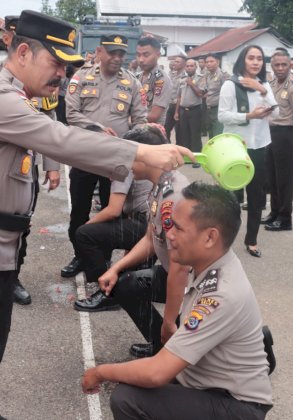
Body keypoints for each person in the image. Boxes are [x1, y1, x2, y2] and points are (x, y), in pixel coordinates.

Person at [0, 10, 191, 419]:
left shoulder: (19, 99)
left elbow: (56, 139)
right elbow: (59, 138)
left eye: (67, 66)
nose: (62, 74)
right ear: (24, 52)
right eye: (56, 63)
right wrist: (141, 153)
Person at [82, 182, 273, 420]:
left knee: (128, 398)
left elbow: (156, 373)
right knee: (146, 375)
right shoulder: (210, 262)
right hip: (210, 383)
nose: (168, 234)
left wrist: (100, 372)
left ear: (210, 237)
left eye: (178, 229)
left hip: (237, 406)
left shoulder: (221, 293)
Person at [0, 15, 62, 304]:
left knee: (21, 224)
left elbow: (48, 119)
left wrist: (52, 166)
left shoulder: (43, 76)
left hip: (25, 165)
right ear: (8, 39)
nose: (12, 38)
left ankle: (12, 277)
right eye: (10, 34)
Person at [77, 141, 191, 358]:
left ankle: (168, 346)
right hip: (173, 273)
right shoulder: (160, 186)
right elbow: (150, 240)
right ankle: (161, 346)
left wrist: (167, 322)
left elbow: (181, 269)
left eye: (132, 157)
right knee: (125, 284)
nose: (128, 165)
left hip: (192, 283)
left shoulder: (173, 198)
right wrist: (115, 269)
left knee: (192, 365)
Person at [63, 34, 148, 278]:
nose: (117, 57)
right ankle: (80, 256)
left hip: (116, 160)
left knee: (114, 212)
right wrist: (98, 128)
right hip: (85, 155)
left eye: (121, 53)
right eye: (112, 52)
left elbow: (141, 119)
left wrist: (134, 142)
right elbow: (71, 113)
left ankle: (103, 261)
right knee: (79, 210)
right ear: (99, 52)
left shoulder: (131, 83)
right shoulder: (81, 77)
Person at [72, 125, 161, 312]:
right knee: (104, 233)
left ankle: (108, 293)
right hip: (151, 223)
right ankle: (119, 281)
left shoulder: (124, 164)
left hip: (148, 225)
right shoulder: (127, 157)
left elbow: (113, 210)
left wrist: (87, 226)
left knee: (85, 234)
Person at [218, 45, 278, 258]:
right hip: (236, 146)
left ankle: (251, 239)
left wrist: (263, 91)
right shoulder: (230, 85)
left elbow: (276, 112)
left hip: (259, 146)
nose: (255, 62)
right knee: (230, 197)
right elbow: (222, 116)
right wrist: (248, 117)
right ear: (243, 60)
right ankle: (224, 240)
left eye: (259, 59)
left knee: (256, 195)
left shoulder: (264, 85)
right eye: (251, 58)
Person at [263, 50, 293, 231]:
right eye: (276, 65)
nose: (280, 68)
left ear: (290, 66)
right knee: (272, 176)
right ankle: (274, 212)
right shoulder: (270, 84)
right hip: (269, 132)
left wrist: (292, 135)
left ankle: (285, 217)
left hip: (285, 134)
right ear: (271, 66)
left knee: (284, 179)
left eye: (284, 65)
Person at [136, 37, 173, 125]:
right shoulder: (138, 76)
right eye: (138, 55)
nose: (141, 59)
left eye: (146, 55)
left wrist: (128, 120)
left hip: (151, 132)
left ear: (158, 55)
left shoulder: (161, 79)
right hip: (136, 129)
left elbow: (154, 116)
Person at [175, 59, 203, 165]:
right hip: (183, 110)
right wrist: (176, 112)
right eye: (187, 66)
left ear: (196, 67)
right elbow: (178, 96)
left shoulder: (200, 78)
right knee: (184, 134)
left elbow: (200, 93)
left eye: (191, 66)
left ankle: (196, 160)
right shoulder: (182, 79)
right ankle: (187, 158)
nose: (189, 68)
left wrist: (191, 84)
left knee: (195, 135)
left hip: (195, 110)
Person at [198, 53, 230, 140]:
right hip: (209, 109)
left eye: (211, 61)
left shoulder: (223, 75)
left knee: (218, 136)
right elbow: (208, 90)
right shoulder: (208, 75)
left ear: (218, 62)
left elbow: (227, 93)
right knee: (211, 136)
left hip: (219, 109)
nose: (208, 64)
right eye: (207, 62)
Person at [165, 56, 186, 140]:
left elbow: (181, 94)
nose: (175, 63)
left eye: (177, 62)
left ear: (184, 64)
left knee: (179, 131)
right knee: (166, 128)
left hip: (179, 106)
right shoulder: (171, 74)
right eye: (175, 61)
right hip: (169, 105)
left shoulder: (185, 76)